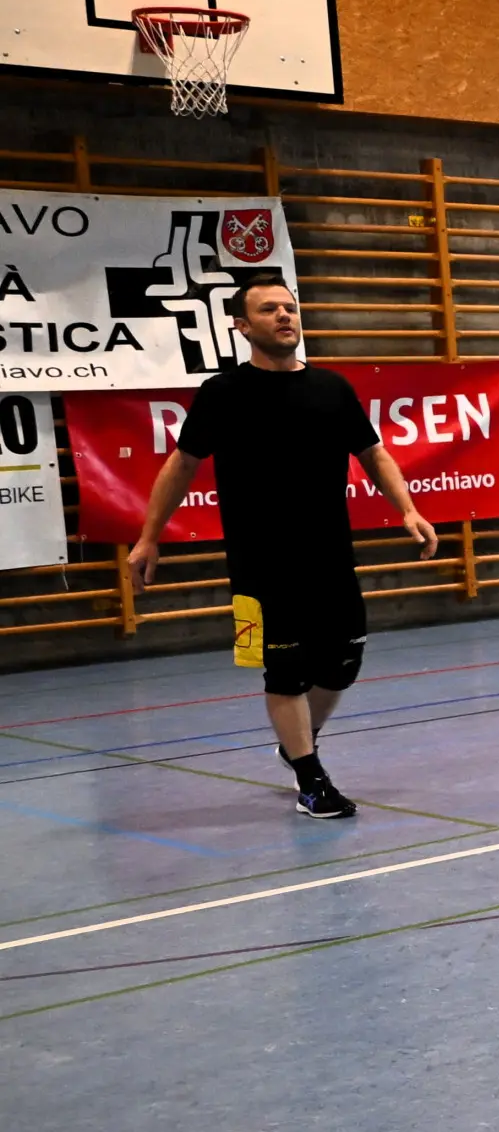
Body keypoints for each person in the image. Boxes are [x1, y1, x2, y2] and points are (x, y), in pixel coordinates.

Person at [127, 272, 438, 820]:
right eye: (269, 310)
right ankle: (311, 779)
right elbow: (182, 464)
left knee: (342, 662)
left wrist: (407, 507)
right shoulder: (223, 394)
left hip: (330, 554)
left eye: (289, 307)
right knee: (286, 671)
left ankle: (299, 741)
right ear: (243, 326)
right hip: (260, 561)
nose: (284, 316)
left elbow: (374, 453)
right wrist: (150, 537)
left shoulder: (331, 389)